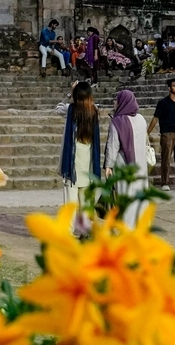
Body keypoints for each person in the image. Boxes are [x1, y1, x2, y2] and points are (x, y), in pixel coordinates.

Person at [104, 87, 151, 228]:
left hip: (124, 164)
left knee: (125, 194)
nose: (114, 103)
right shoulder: (142, 119)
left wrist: (108, 166)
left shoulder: (117, 122)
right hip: (140, 164)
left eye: (116, 100)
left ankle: (126, 226)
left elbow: (113, 146)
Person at [58, 80, 102, 233]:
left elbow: (57, 108)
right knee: (85, 201)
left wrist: (70, 94)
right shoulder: (94, 111)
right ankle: (84, 231)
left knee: (70, 201)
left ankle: (68, 231)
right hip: (88, 163)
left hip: (72, 164)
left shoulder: (70, 109)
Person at [148, 78, 175, 190]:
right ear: (169, 88)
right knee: (166, 159)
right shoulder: (163, 103)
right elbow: (155, 118)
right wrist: (147, 133)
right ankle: (164, 183)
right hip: (167, 134)